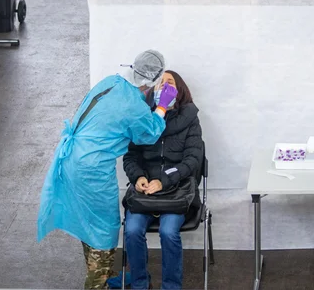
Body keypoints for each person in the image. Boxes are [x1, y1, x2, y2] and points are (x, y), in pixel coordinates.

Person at [37, 50, 179, 290]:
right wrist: (162, 106)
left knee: (88, 225)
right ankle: (97, 281)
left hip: (72, 159)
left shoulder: (110, 82)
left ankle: (98, 274)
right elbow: (150, 133)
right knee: (103, 233)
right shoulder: (133, 104)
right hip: (91, 169)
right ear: (152, 82)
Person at [123, 70, 204, 290]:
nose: (164, 87)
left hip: (175, 192)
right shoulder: (143, 118)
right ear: (152, 91)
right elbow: (131, 156)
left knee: (168, 233)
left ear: (179, 91)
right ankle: (140, 284)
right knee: (131, 231)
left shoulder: (190, 119)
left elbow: (193, 160)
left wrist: (165, 181)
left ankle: (171, 287)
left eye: (170, 83)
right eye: (160, 84)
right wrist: (138, 176)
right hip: (145, 192)